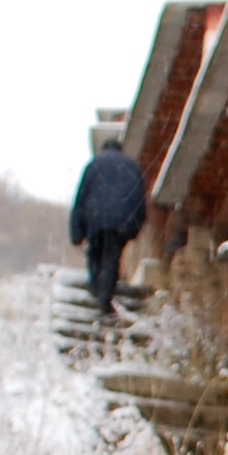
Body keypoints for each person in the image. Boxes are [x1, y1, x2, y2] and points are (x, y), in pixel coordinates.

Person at [68, 126, 148, 316]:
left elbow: (80, 199)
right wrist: (134, 227)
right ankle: (104, 297)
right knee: (112, 256)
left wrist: (76, 233)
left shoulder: (94, 164)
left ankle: (97, 291)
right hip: (121, 220)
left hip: (95, 219)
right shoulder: (132, 167)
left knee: (95, 254)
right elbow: (140, 199)